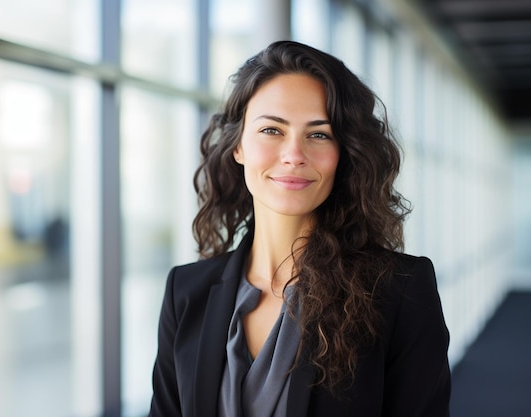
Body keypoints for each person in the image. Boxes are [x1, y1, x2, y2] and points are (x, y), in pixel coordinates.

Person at [149, 40, 451, 417]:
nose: (294, 154)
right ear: (238, 146)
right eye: (272, 130)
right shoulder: (186, 292)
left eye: (319, 134)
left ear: (345, 153)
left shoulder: (399, 291)